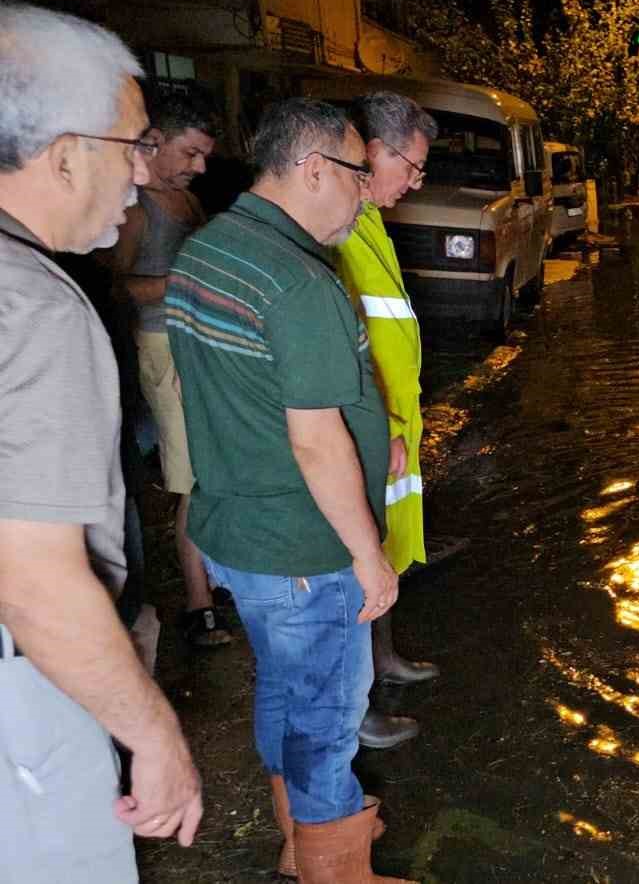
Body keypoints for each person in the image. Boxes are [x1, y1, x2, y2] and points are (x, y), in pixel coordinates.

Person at [164, 97, 412, 884]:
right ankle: (333, 871)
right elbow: (315, 437)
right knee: (327, 723)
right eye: (355, 177)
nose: (365, 194)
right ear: (312, 171)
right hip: (304, 547)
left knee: (283, 689)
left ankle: (296, 845)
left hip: (237, 532)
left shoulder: (208, 250)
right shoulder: (297, 282)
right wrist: (369, 557)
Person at [0, 1, 204, 879]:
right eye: (133, 145)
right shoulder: (35, 307)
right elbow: (35, 579)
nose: (142, 172)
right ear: (65, 152)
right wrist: (153, 733)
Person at [101, 85, 232, 650]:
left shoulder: (185, 200)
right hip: (162, 353)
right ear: (154, 142)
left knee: (216, 471)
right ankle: (199, 606)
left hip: (199, 348)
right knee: (193, 483)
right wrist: (180, 285)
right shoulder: (134, 208)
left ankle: (215, 577)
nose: (198, 167)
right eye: (189, 154)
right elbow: (111, 289)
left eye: (204, 155)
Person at [332, 91, 440, 751]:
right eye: (413, 166)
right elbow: (346, 340)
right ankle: (356, 704)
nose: (416, 182)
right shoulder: (340, 223)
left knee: (387, 549)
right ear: (375, 151)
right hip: (375, 430)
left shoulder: (368, 216)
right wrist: (381, 425)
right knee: (359, 558)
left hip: (397, 425)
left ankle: (383, 659)